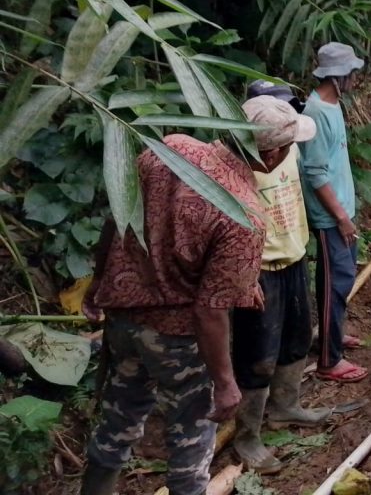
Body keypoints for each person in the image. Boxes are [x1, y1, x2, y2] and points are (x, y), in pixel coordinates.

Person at [79, 96, 316, 495]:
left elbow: (116, 218)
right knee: (191, 440)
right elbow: (211, 311)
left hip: (123, 319)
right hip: (176, 340)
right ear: (273, 154)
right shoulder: (243, 215)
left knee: (118, 418)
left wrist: (99, 283)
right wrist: (225, 383)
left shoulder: (171, 149)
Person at [231, 82, 331, 474]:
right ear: (265, 150)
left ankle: (286, 408)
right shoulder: (236, 170)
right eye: (284, 145)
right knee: (257, 356)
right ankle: (247, 437)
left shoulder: (283, 153)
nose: (290, 149)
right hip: (259, 274)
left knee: (297, 339)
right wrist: (244, 278)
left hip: (292, 259)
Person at [299, 42, 368, 383]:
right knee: (333, 284)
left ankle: (333, 338)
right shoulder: (314, 114)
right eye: (352, 73)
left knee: (342, 281)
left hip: (341, 212)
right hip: (331, 218)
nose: (356, 79)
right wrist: (340, 217)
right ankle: (329, 360)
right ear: (338, 77)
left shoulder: (333, 105)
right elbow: (315, 173)